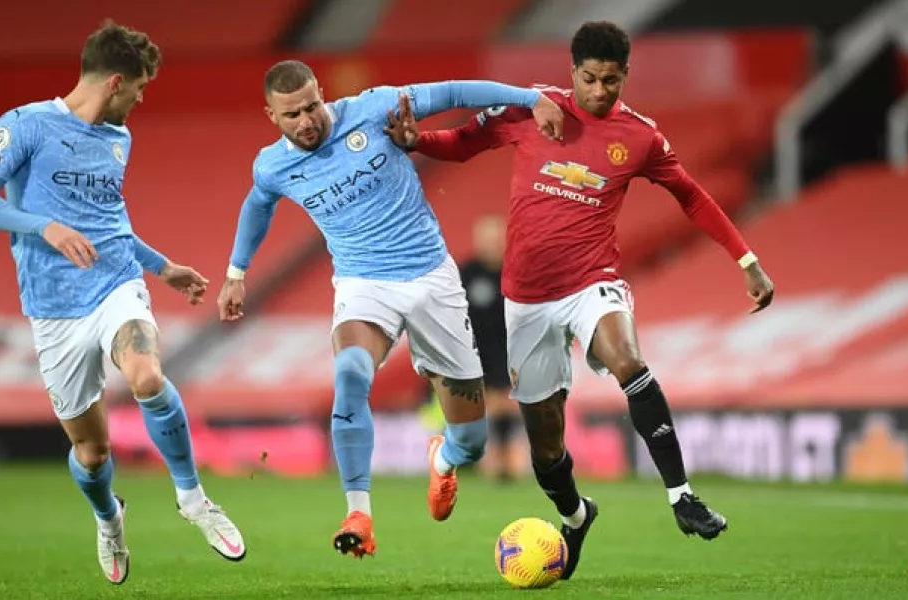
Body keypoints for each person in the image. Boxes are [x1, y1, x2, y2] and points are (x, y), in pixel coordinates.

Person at [384, 20, 775, 579]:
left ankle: (682, 495)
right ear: (573, 72)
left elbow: (690, 194)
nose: (598, 91)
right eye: (589, 78)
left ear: (625, 77)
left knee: (629, 361)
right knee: (545, 447)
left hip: (592, 282)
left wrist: (747, 260)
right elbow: (464, 143)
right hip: (526, 300)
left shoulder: (640, 137)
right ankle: (575, 514)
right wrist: (418, 140)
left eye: (610, 81)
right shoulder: (534, 111)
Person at [215, 60, 564, 559]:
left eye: (313, 106)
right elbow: (258, 203)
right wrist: (235, 272)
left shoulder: (374, 107)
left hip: (432, 280)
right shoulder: (272, 165)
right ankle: (359, 512)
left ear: (322, 95)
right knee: (351, 372)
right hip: (363, 284)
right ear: (271, 115)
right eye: (292, 114)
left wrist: (530, 98)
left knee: (471, 439)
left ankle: (443, 460)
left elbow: (455, 88)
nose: (307, 120)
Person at [0, 21, 246, 585]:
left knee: (146, 375)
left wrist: (162, 267)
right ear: (116, 81)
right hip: (53, 305)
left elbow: (109, 223)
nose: (140, 99)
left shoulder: (119, 139)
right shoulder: (26, 125)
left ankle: (193, 499)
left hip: (114, 285)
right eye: (139, 87)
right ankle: (108, 516)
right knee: (91, 454)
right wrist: (45, 227)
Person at [459, 214, 525, 482]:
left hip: (508, 350)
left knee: (504, 404)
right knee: (482, 405)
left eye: (494, 239)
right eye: (485, 239)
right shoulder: (467, 273)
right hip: (474, 351)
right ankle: (482, 458)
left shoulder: (515, 272)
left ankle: (505, 459)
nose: (490, 244)